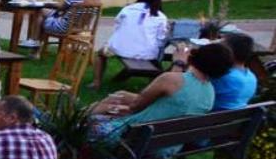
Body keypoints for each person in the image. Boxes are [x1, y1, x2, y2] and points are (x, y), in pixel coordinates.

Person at [90, 40, 230, 143]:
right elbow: (172, 103)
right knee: (116, 99)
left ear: (196, 57)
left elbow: (135, 107)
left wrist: (178, 63)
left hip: (133, 139)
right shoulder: (210, 93)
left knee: (91, 115)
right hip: (168, 144)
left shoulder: (170, 79)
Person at [100, 0, 169, 78]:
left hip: (120, 49)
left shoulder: (128, 9)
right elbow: (161, 38)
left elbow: (117, 25)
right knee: (157, 53)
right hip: (147, 54)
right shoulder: (161, 17)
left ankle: (96, 82)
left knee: (101, 54)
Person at [213, 33, 259, 112]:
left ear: (228, 52)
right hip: (233, 120)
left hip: (213, 119)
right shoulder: (251, 77)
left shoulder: (224, 77)